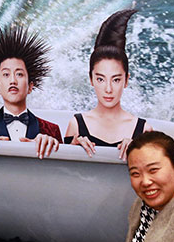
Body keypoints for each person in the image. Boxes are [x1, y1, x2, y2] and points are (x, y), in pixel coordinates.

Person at [64, 10, 151, 160]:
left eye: (116, 80)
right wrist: (72, 149)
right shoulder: (76, 125)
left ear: (126, 80)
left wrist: (138, 150)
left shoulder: (143, 129)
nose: (108, 89)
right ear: (91, 79)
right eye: (100, 79)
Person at [0, 25, 62, 159]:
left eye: (19, 74)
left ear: (30, 86)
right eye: (6, 74)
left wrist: (53, 146)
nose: (13, 81)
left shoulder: (51, 130)